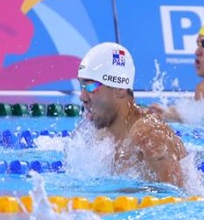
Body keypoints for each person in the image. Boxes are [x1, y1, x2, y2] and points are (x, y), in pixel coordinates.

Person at [76, 42, 188, 188]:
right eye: (82, 86)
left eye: (91, 86)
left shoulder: (150, 136)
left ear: (120, 89)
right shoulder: (100, 134)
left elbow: (177, 199)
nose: (82, 97)